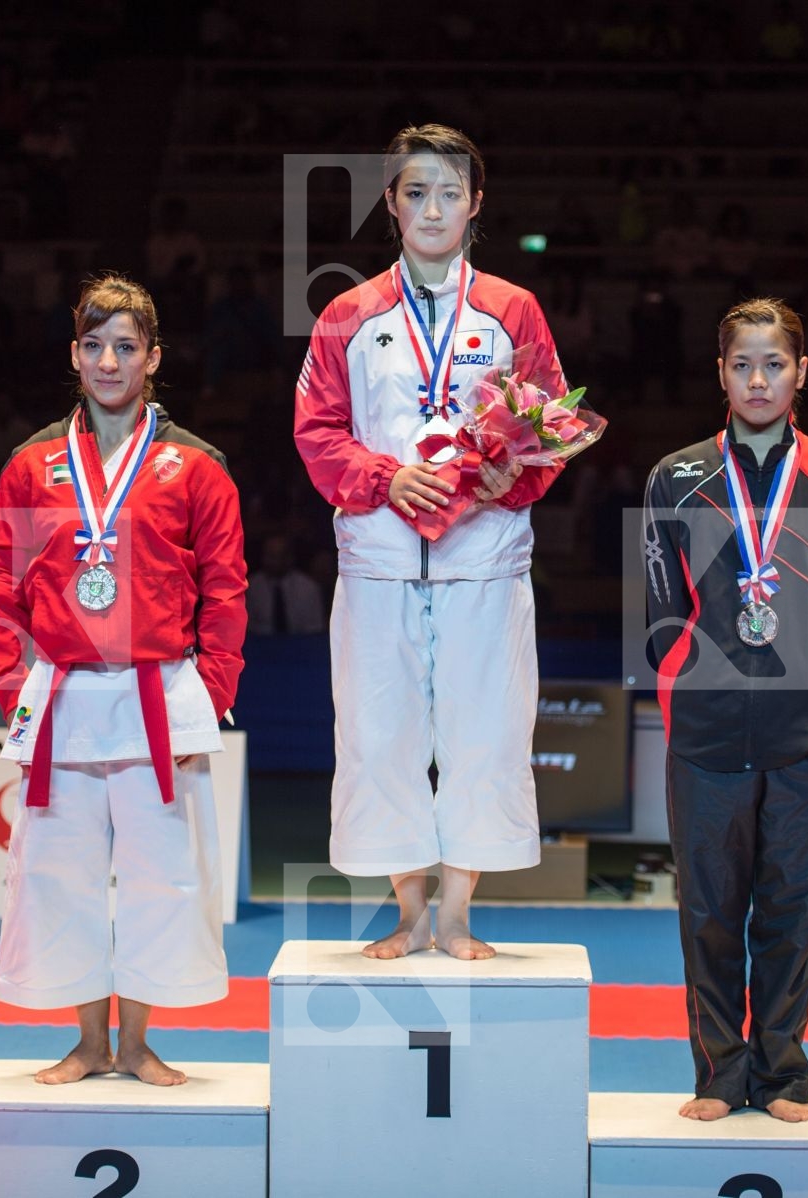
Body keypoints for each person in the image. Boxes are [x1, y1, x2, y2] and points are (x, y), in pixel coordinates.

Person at [294, 123, 568, 961]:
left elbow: (549, 426)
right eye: (416, 192)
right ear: (391, 204)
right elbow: (316, 431)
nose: (433, 208)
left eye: (450, 192)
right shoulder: (349, 313)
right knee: (380, 734)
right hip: (380, 556)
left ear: (476, 204)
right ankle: (407, 906)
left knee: (486, 729)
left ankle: (456, 912)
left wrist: (508, 478)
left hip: (482, 557)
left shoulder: (512, 309)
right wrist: (385, 477)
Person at [0, 276, 246, 1086]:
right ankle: (89, 1043)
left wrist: (212, 688)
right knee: (59, 872)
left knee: (161, 874)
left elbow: (227, 588)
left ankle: (135, 1043)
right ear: (74, 353)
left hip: (157, 693)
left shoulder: (196, 465)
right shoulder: (31, 465)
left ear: (153, 357)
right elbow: (2, 581)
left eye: (125, 346)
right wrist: (12, 684)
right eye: (94, 345)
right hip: (63, 693)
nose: (108, 360)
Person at [642, 297, 808, 1123]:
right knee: (708, 911)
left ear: (801, 372)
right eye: (742, 363)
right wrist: (698, 690)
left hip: (806, 730)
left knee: (791, 908)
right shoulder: (675, 475)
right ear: (719, 373)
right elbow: (660, 615)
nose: (757, 378)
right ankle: (717, 1073)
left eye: (773, 363)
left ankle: (781, 1075)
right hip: (705, 732)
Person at [246, 533, 326, 635]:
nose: (276, 561)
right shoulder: (251, 587)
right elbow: (247, 628)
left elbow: (315, 629)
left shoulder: (309, 588)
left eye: (280, 555)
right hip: (260, 647)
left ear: (290, 557)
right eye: (271, 555)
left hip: (302, 647)